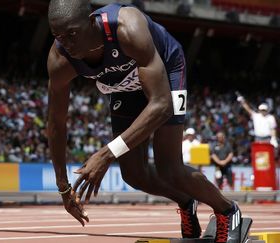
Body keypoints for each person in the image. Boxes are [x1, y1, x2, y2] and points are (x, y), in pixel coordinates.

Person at [46, 1, 242, 242]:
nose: (67, 44)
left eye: (72, 34)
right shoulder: (60, 59)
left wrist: (107, 153)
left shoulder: (127, 27)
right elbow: (56, 123)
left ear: (91, 21)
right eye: (58, 36)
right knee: (134, 174)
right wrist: (64, 188)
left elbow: (161, 106)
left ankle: (228, 210)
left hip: (165, 70)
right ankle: (185, 201)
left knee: (170, 168)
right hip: (123, 86)